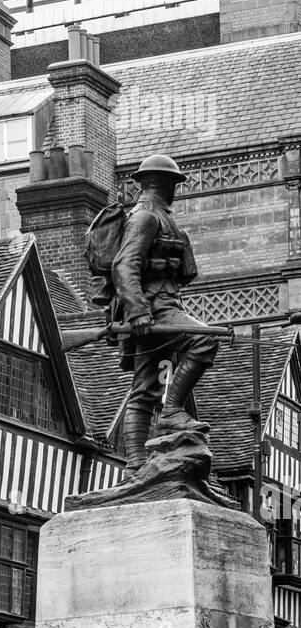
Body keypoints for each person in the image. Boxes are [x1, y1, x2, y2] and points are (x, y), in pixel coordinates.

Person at [110, 154, 219, 477]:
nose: (175, 190)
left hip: (166, 307)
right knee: (204, 339)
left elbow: (185, 273)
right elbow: (124, 265)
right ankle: (171, 411)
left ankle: (135, 467)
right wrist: (139, 311)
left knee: (146, 387)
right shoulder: (145, 218)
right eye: (173, 183)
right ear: (163, 184)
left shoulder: (163, 219)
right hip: (155, 310)